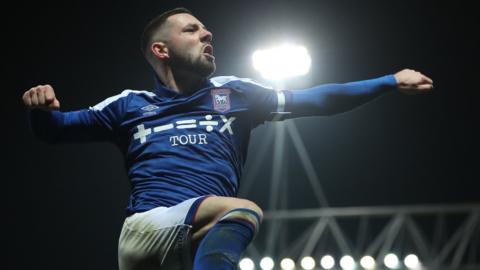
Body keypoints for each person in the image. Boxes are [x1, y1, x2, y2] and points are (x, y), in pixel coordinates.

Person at [22, 7, 433, 270]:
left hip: (185, 245)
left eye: (206, 29)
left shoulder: (235, 94)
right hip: (146, 229)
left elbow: (317, 99)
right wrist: (42, 112)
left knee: (232, 218)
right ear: (161, 50)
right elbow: (55, 133)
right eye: (192, 30)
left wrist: (388, 81)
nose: (207, 34)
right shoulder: (129, 105)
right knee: (242, 211)